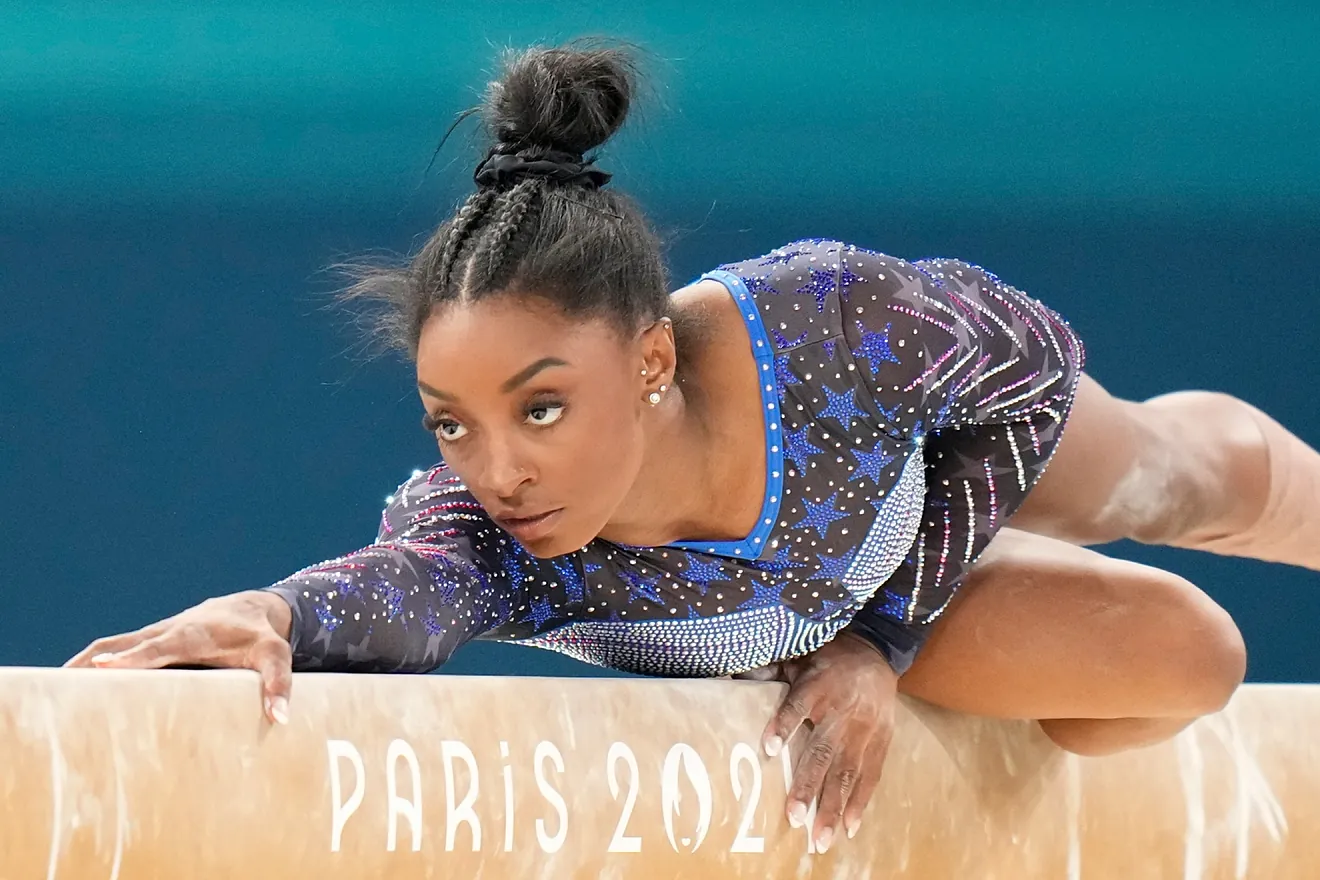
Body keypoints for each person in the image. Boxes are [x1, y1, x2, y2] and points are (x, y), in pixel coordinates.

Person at [67, 41, 1318, 856]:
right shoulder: (499, 539)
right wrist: (276, 613)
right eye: (452, 421)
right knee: (1189, 656)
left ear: (653, 360)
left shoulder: (834, 330)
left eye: (540, 408)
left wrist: (881, 640)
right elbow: (403, 591)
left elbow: (1032, 366)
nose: (498, 468)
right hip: (807, 616)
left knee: (1167, 478)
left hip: (919, 476)